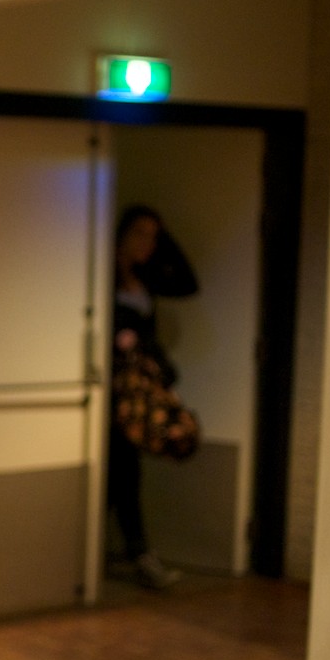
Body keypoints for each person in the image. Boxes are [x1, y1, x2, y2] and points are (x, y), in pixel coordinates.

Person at [107, 204, 199, 590]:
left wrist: (162, 239)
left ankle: (129, 552)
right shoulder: (104, 275)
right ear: (122, 234)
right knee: (121, 471)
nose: (149, 243)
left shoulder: (145, 276)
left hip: (142, 387)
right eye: (140, 234)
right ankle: (136, 552)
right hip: (114, 389)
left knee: (123, 472)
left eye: (154, 236)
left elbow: (187, 282)